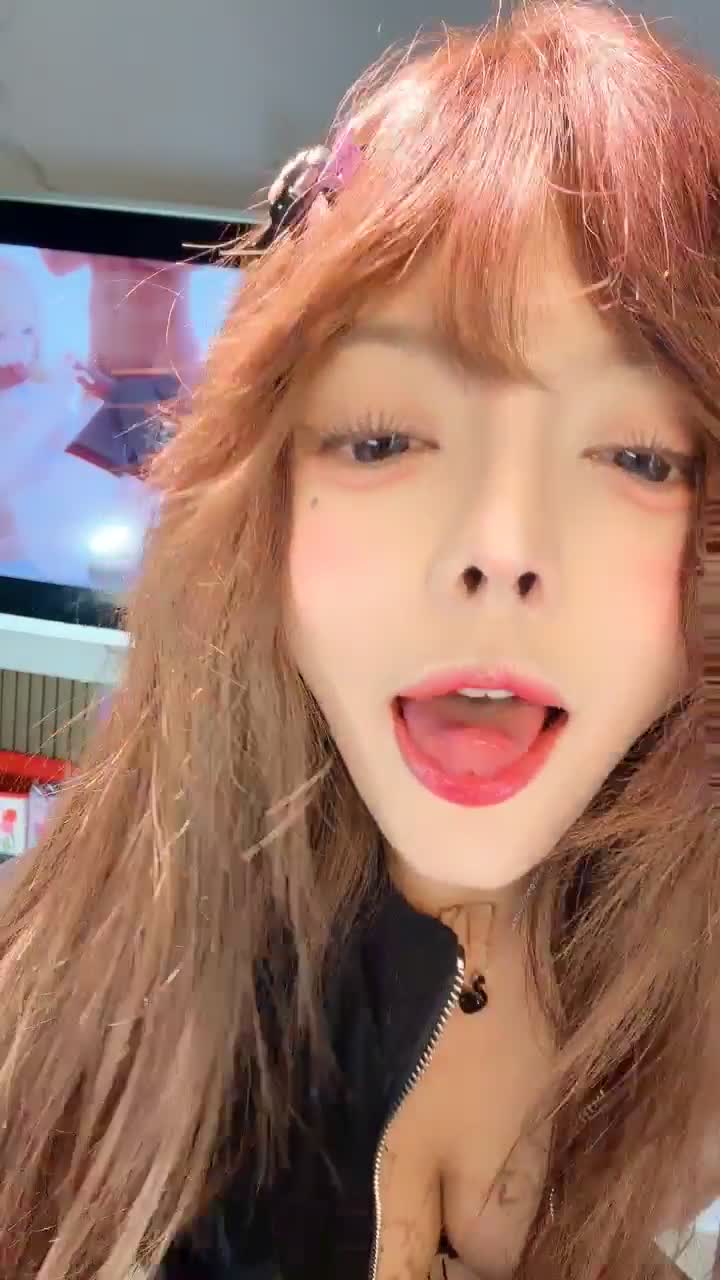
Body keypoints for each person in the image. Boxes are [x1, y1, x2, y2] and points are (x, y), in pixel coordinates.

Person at [0, 3, 719, 1278]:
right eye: (382, 436)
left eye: (638, 455)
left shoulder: (675, 973)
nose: (501, 547)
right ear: (257, 497)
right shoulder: (77, 1016)